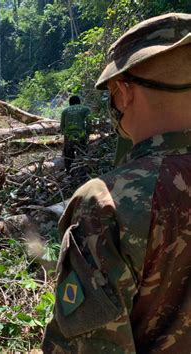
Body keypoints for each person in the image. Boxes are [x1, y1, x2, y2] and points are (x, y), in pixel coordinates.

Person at [42, 12, 191, 353]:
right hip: (85, 142)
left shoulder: (108, 203)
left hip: (75, 144)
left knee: (70, 165)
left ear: (123, 92)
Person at [60, 95, 91, 172]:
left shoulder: (65, 111)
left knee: (68, 157)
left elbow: (62, 126)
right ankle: (82, 172)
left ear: (70, 103)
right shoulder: (85, 109)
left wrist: (65, 136)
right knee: (82, 155)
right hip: (81, 135)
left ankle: (69, 172)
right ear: (79, 102)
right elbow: (89, 123)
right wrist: (88, 133)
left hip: (69, 136)